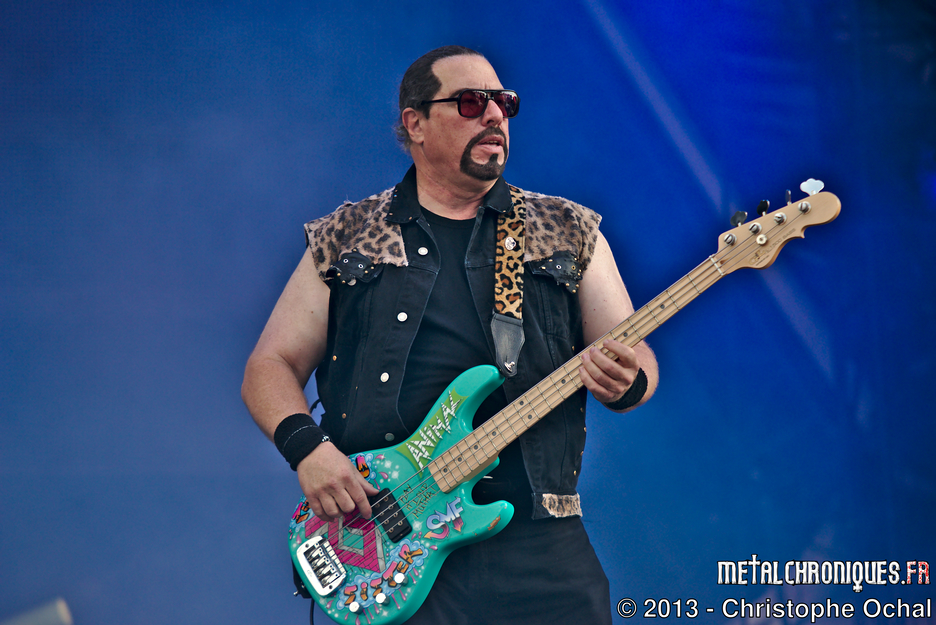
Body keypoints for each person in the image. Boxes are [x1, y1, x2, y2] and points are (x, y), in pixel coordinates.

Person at [242, 45, 659, 624]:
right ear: (415, 122)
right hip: (386, 537)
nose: (494, 115)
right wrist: (307, 449)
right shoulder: (348, 236)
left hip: (540, 544)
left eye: (504, 103)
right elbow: (270, 365)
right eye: (470, 102)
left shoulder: (567, 229)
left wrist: (628, 381)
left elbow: (636, 357)